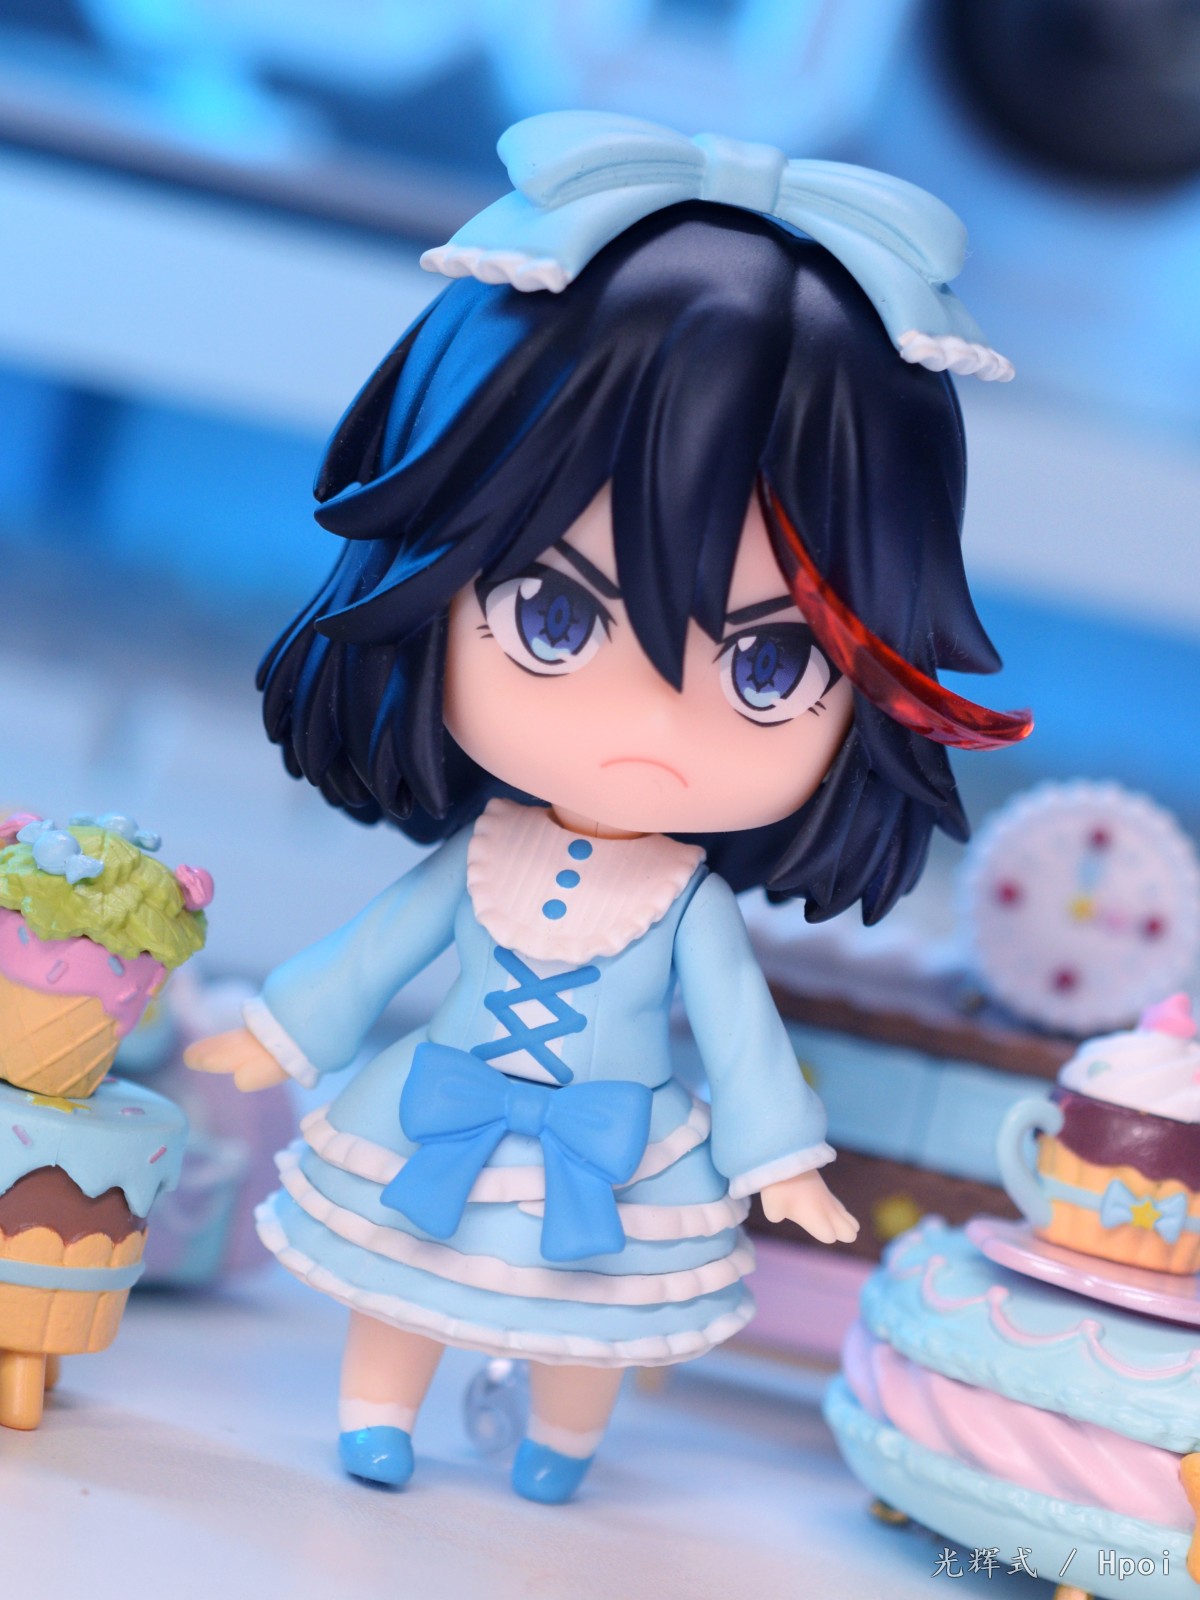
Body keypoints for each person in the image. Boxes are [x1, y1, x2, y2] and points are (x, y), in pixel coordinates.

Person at [186, 111, 1030, 1505]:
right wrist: (277, 1036)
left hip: (619, 1151)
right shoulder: (484, 855)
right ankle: (377, 1415)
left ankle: (562, 1439)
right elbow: (377, 952)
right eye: (556, 617)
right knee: (403, 1282)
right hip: (440, 1109)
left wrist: (779, 1162)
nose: (648, 724)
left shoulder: (683, 906)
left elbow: (745, 1040)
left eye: (769, 665)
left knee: (587, 1321)